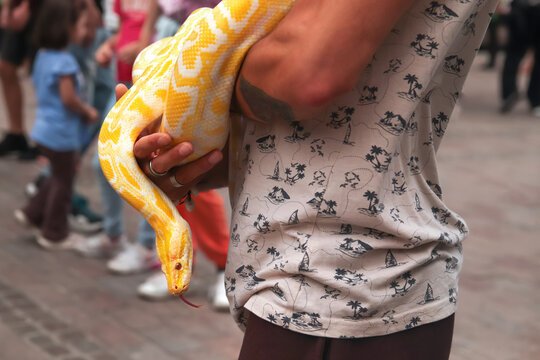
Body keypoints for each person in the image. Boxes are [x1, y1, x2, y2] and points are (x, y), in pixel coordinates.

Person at [127, 0, 498, 358]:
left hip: (346, 289)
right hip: (310, 282)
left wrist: (178, 84)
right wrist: (186, 154)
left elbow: (308, 72)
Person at [13, 0, 99, 249]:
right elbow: (68, 97)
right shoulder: (65, 63)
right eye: (80, 25)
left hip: (43, 129)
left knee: (58, 175)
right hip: (61, 133)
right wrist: (87, 111)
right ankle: (54, 232)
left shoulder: (41, 55)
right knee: (65, 181)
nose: (83, 32)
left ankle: (32, 212)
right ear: (66, 27)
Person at [0, 0, 41, 159]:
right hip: (20, 5)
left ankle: (46, 140)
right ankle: (16, 134)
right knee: (6, 65)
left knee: (42, 69)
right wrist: (8, 7)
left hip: (46, 7)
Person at [500, 0, 540, 116]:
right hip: (520, 8)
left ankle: (535, 99)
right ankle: (509, 94)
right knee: (513, 54)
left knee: (514, 56)